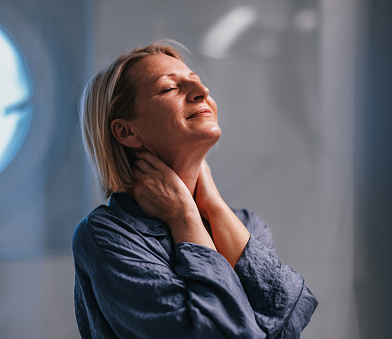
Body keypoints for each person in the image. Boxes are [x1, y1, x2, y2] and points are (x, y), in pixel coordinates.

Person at [72, 41, 318, 339]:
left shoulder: (249, 224)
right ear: (127, 132)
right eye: (168, 88)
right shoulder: (107, 234)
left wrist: (211, 203)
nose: (202, 92)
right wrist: (183, 217)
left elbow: (290, 319)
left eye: (197, 82)